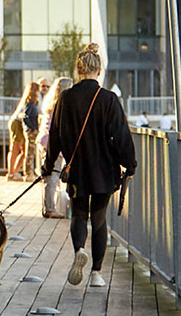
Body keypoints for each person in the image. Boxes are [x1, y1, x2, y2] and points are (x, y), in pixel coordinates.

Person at [42, 44, 137, 289]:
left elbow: (56, 135)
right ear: (99, 70)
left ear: (78, 68)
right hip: (104, 169)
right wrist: (130, 164)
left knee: (79, 214)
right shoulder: (108, 99)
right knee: (99, 219)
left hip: (77, 169)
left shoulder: (65, 98)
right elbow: (121, 136)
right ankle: (96, 272)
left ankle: (78, 251)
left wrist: (49, 164)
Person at [38, 77, 74, 218]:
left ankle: (48, 207)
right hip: (52, 145)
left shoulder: (51, 105)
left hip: (44, 141)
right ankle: (49, 209)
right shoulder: (61, 106)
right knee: (52, 176)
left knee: (49, 177)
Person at [7, 81, 40, 180]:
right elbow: (25, 116)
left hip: (20, 123)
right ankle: (11, 172)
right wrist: (31, 127)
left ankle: (15, 171)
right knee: (16, 148)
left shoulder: (29, 102)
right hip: (18, 122)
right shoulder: (29, 102)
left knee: (25, 150)